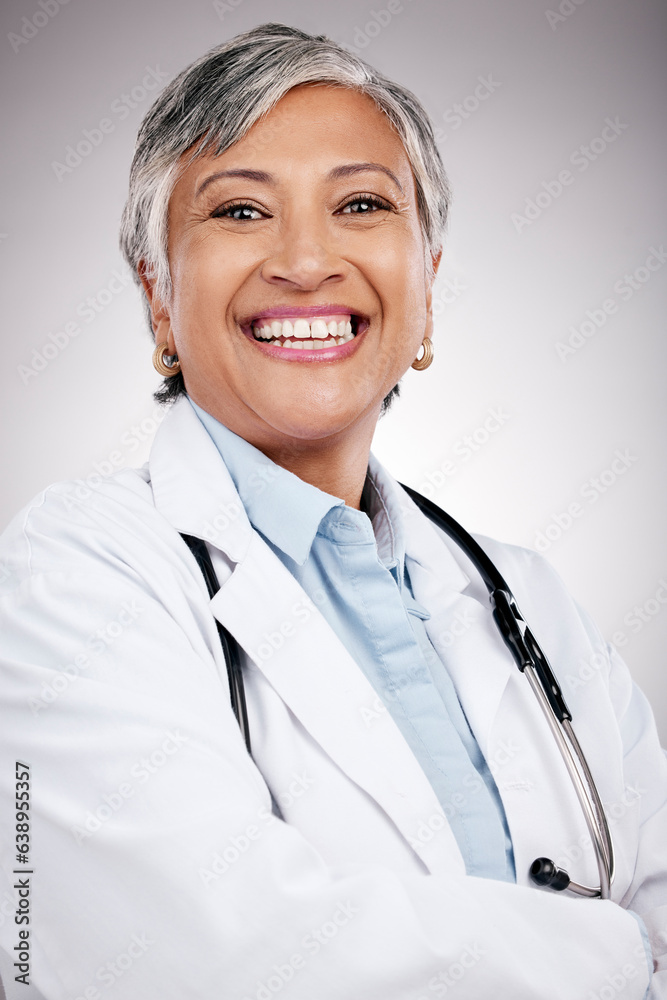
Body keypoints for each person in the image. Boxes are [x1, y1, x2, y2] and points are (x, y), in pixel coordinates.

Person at [0, 22, 665, 1000]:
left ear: (426, 292)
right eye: (238, 212)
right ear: (157, 299)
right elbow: (211, 961)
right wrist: (615, 960)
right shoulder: (75, 572)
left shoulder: (529, 597)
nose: (306, 261)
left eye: (360, 203)